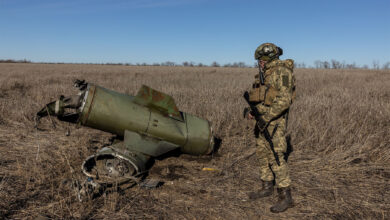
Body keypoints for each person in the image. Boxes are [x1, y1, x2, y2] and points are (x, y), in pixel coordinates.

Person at [246, 43, 296, 213]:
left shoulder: (282, 72)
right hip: (262, 122)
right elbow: (259, 99)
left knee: (276, 156)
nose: (259, 63)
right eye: (258, 60)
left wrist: (265, 118)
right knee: (262, 153)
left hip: (274, 123)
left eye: (261, 60)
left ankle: (286, 196)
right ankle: (267, 187)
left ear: (268, 59)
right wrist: (251, 112)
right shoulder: (264, 74)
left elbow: (284, 101)